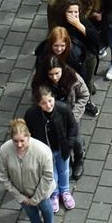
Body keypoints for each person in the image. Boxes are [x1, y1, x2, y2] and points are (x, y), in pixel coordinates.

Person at [0, 117, 59, 223]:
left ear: (29, 136)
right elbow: (3, 175)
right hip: (21, 192)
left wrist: (36, 198)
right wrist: (19, 195)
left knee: (46, 208)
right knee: (30, 212)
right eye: (15, 141)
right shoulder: (4, 150)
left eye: (22, 141)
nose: (19, 145)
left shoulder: (42, 151)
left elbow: (47, 176)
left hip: (41, 190)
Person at [25, 85, 82, 215]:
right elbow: (28, 132)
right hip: (45, 152)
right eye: (43, 103)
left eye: (50, 101)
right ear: (38, 104)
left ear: (53, 98)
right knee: (51, 173)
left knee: (64, 170)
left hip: (62, 148)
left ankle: (65, 191)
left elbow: (73, 126)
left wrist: (69, 143)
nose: (48, 105)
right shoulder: (32, 115)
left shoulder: (63, 109)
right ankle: (55, 193)